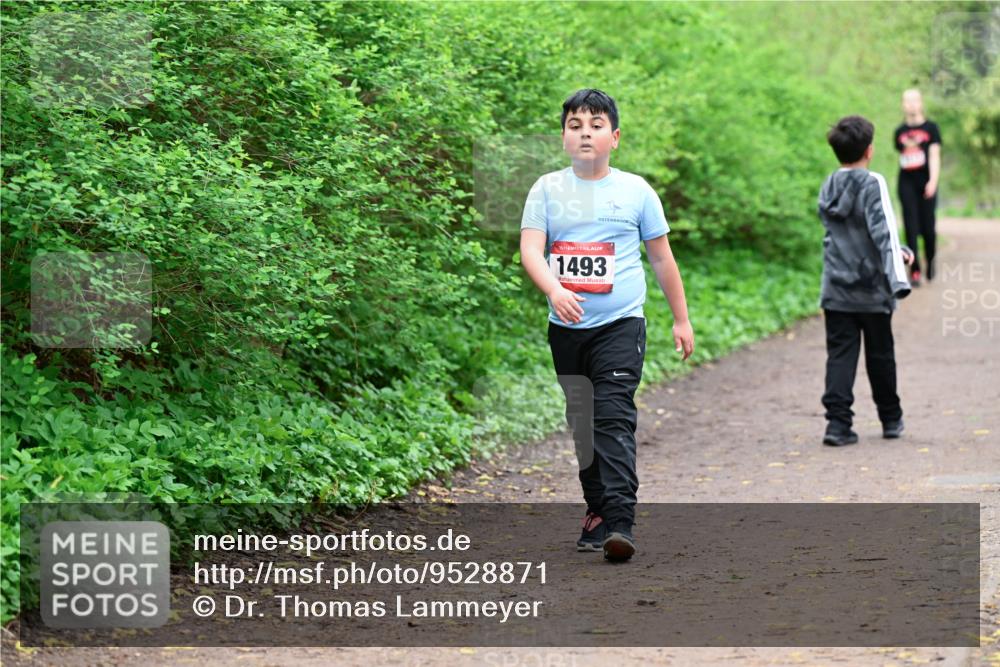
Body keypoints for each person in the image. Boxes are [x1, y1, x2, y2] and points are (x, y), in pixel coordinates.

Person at [519, 89, 694, 562]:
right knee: (582, 422)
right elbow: (531, 250)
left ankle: (620, 520)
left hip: (620, 324)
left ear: (614, 137)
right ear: (563, 137)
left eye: (596, 124)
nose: (585, 132)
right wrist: (555, 289)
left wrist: (681, 318)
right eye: (575, 125)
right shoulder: (547, 190)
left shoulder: (636, 191)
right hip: (566, 328)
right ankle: (596, 510)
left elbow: (661, 257)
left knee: (612, 415)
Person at [818, 115, 915, 447]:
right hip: (872, 289)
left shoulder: (829, 184)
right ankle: (891, 419)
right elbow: (882, 231)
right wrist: (898, 271)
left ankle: (837, 425)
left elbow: (846, 232)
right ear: (869, 151)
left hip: (836, 289)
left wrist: (895, 250)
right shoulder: (873, 182)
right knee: (880, 355)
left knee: (840, 356)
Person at [894, 89, 942, 286]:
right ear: (903, 105)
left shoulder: (931, 128)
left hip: (926, 182)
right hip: (906, 183)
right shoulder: (899, 132)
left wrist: (933, 181)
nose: (911, 104)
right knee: (910, 227)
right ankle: (914, 270)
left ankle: (930, 260)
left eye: (915, 100)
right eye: (907, 101)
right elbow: (903, 155)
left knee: (928, 229)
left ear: (921, 103)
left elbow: (934, 156)